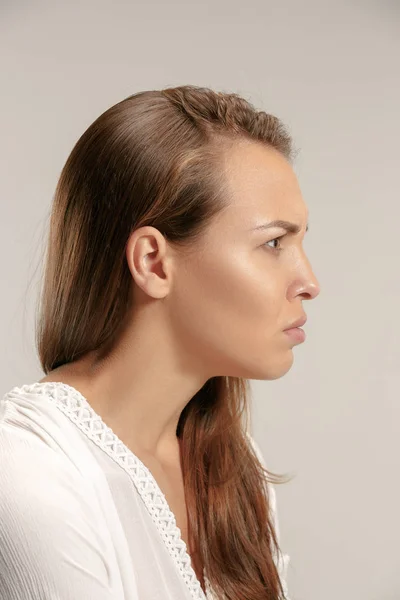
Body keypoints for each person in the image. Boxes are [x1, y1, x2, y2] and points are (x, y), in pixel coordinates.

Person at [0, 85, 320, 600]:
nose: (309, 281)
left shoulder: (236, 473)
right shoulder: (31, 469)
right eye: (273, 243)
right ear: (153, 262)